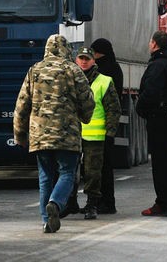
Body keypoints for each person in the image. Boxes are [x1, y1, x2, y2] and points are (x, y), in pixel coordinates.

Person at [13, 34, 94, 234]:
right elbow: (87, 100)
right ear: (67, 50)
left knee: (45, 176)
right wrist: (85, 117)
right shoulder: (73, 70)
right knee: (67, 173)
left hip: (39, 135)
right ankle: (56, 204)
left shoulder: (34, 70)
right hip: (67, 134)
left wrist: (20, 135)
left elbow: (22, 105)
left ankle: (46, 221)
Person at [135, 30, 167, 217]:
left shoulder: (158, 65)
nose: (149, 44)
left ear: (155, 44)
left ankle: (164, 203)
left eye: (150, 41)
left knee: (160, 163)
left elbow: (151, 92)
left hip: (160, 118)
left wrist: (141, 108)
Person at [71, 46, 120, 220]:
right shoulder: (70, 80)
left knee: (93, 173)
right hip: (72, 135)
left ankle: (92, 204)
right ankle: (71, 202)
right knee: (69, 171)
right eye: (81, 58)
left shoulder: (104, 81)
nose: (84, 62)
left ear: (94, 61)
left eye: (87, 59)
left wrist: (110, 134)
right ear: (76, 60)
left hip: (95, 136)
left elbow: (113, 110)